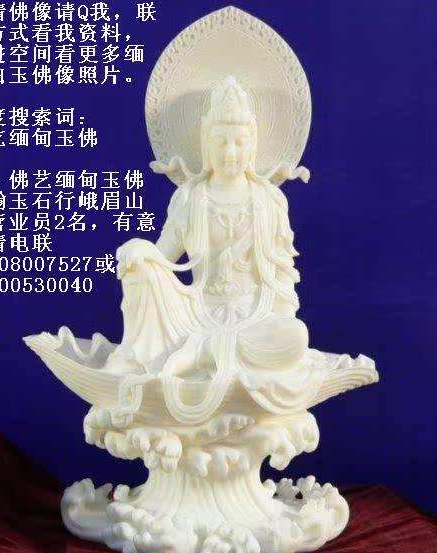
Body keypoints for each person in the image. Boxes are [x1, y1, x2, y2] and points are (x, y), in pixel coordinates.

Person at [106, 77, 321, 424]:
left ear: (253, 144)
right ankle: (172, 352)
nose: (230, 152)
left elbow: (281, 276)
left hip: (254, 317)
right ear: (205, 143)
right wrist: (141, 251)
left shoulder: (269, 200)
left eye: (239, 142)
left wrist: (281, 318)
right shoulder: (191, 197)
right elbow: (163, 258)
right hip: (196, 314)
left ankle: (203, 353)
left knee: (295, 337)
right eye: (221, 142)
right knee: (140, 270)